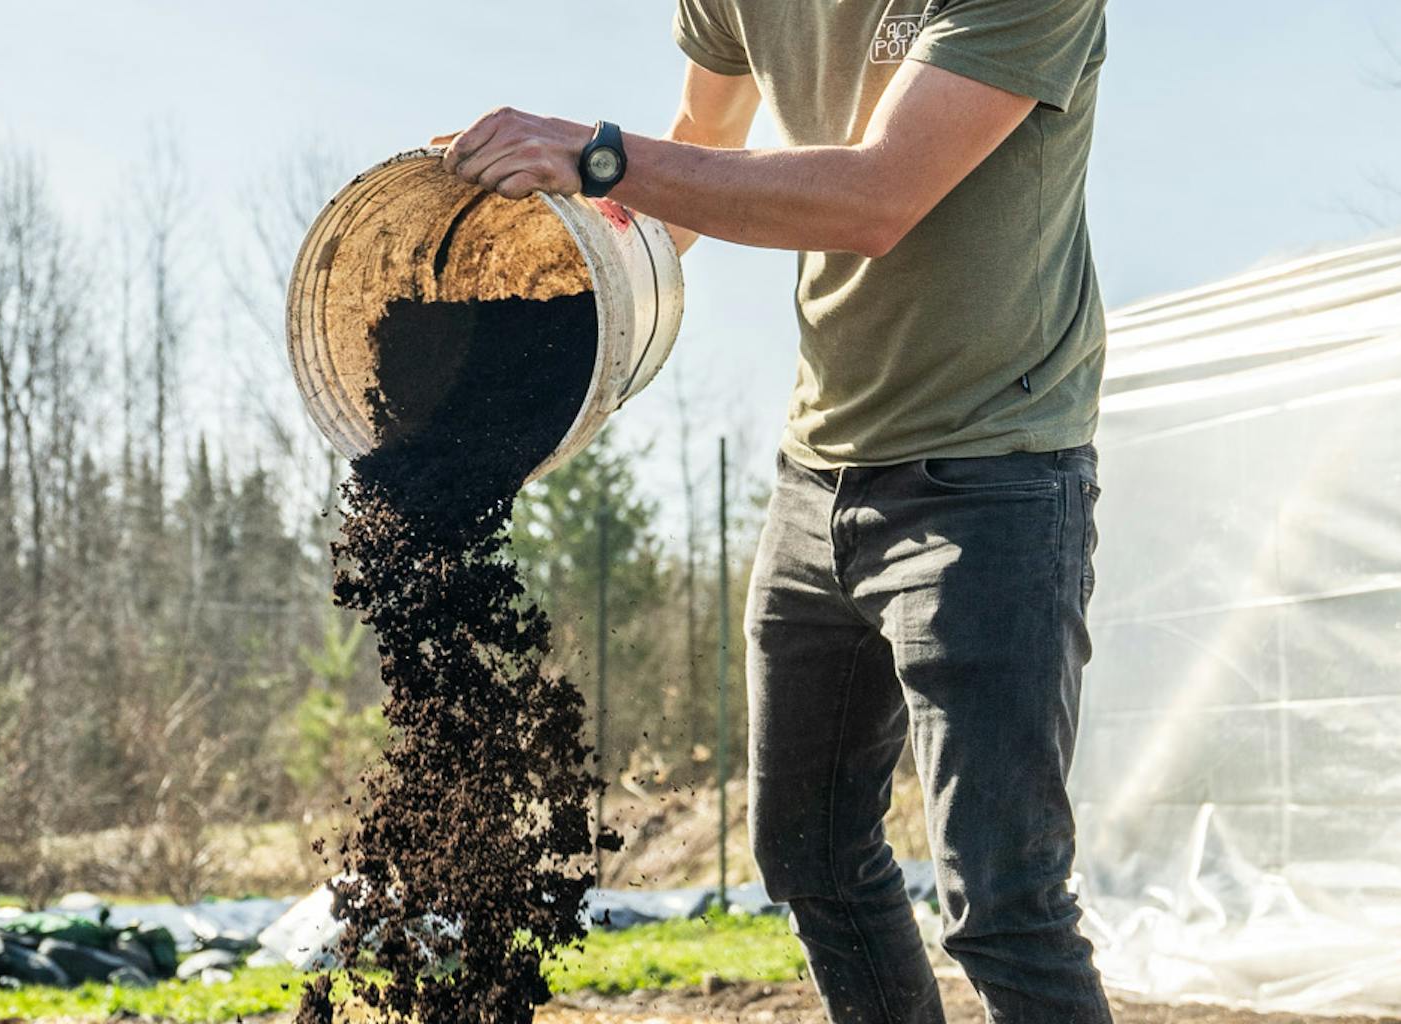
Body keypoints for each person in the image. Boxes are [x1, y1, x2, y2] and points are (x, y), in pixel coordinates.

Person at [437, 1, 1112, 1021]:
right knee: (808, 851)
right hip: (815, 480)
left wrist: (597, 155)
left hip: (990, 481)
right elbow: (704, 139)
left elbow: (875, 197)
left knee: (1003, 900)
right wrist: (557, 309)